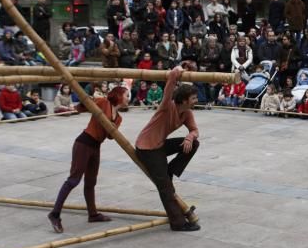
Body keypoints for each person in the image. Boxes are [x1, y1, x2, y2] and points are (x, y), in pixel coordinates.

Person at [47, 86, 130, 233]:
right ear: (118, 96)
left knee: (91, 181)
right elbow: (84, 105)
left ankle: (93, 214)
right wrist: (81, 106)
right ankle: (54, 214)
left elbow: (110, 136)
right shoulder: (103, 102)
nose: (128, 98)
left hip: (95, 147)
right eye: (126, 95)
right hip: (84, 143)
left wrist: (110, 126)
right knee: (73, 180)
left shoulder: (119, 118)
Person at [134, 65, 201, 232]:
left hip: (160, 145)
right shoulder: (167, 106)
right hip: (147, 148)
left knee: (194, 143)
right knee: (165, 187)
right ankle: (178, 223)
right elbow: (169, 89)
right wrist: (174, 73)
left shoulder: (187, 113)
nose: (196, 100)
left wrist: (189, 136)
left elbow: (195, 131)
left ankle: (170, 171)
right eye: (193, 98)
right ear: (184, 100)